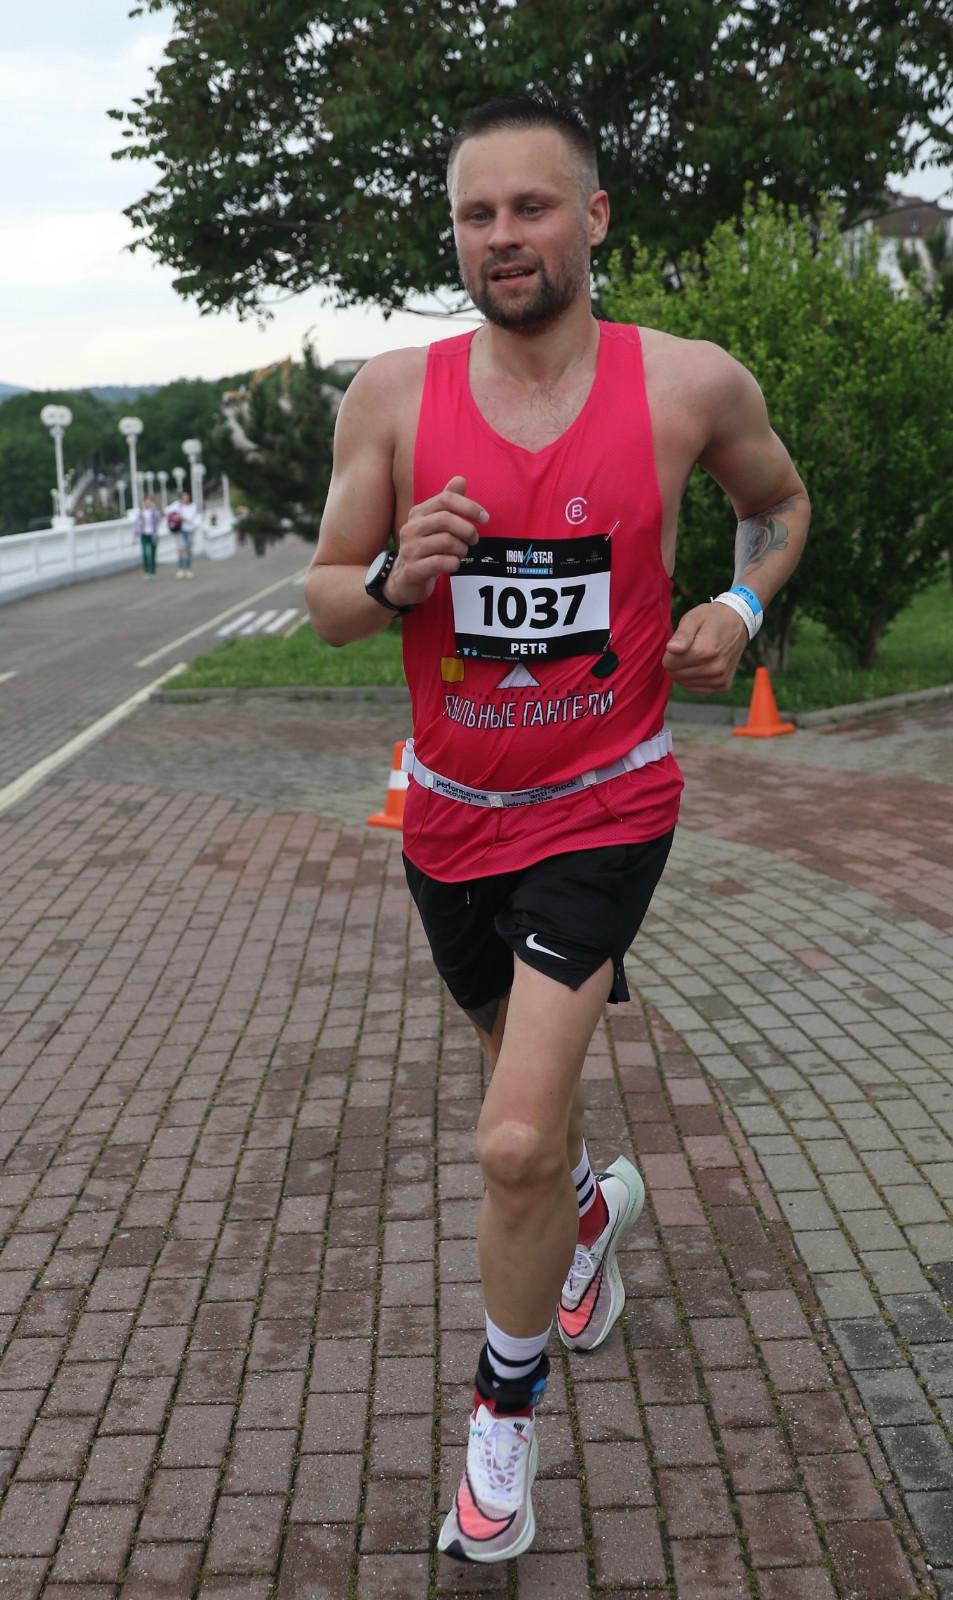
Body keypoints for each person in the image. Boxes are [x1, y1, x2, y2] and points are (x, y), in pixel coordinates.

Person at [306, 93, 810, 1565]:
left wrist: (739, 604)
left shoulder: (687, 383)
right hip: (450, 819)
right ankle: (592, 1216)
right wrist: (395, 578)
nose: (501, 236)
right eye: (476, 214)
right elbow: (327, 599)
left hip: (608, 801)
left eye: (530, 207)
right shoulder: (391, 396)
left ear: (591, 217)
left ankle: (501, 1423)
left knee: (514, 1134)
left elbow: (779, 508)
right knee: (517, 1088)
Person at [166, 489, 197, 578]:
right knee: (181, 549)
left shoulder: (193, 506)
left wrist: (180, 517)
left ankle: (188, 568)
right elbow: (167, 510)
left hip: (190, 530)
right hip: (180, 530)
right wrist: (172, 518)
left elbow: (190, 518)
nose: (185, 498)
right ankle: (180, 569)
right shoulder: (177, 505)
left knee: (188, 550)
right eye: (183, 496)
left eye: (186, 496)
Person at [134, 494, 161, 578]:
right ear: (144, 502)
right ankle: (146, 571)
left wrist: (154, 509)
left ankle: (153, 572)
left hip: (153, 535)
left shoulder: (154, 511)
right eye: (146, 501)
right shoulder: (140, 512)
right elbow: (136, 525)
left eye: (150, 501)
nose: (148, 503)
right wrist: (135, 536)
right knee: (145, 553)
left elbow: (159, 519)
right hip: (144, 534)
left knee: (153, 554)